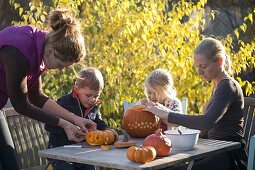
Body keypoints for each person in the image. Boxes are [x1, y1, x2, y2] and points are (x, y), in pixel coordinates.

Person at [0, 9, 97, 170]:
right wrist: (64, 125)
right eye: (60, 65)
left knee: (11, 165)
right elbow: (21, 105)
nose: (60, 70)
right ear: (52, 51)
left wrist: (75, 119)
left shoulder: (43, 47)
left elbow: (37, 97)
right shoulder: (18, 53)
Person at [144, 37, 247, 170]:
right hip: (213, 150)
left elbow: (206, 122)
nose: (199, 72)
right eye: (197, 66)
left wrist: (167, 114)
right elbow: (206, 129)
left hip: (229, 156)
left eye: (203, 66)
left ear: (219, 62)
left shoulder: (227, 86)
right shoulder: (217, 84)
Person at [45, 67, 117, 170]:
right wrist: (69, 127)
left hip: (82, 152)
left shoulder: (94, 106)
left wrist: (107, 130)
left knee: (90, 167)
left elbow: (98, 121)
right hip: (60, 151)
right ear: (77, 89)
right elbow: (49, 125)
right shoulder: (64, 102)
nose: (92, 99)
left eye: (96, 96)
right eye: (88, 95)